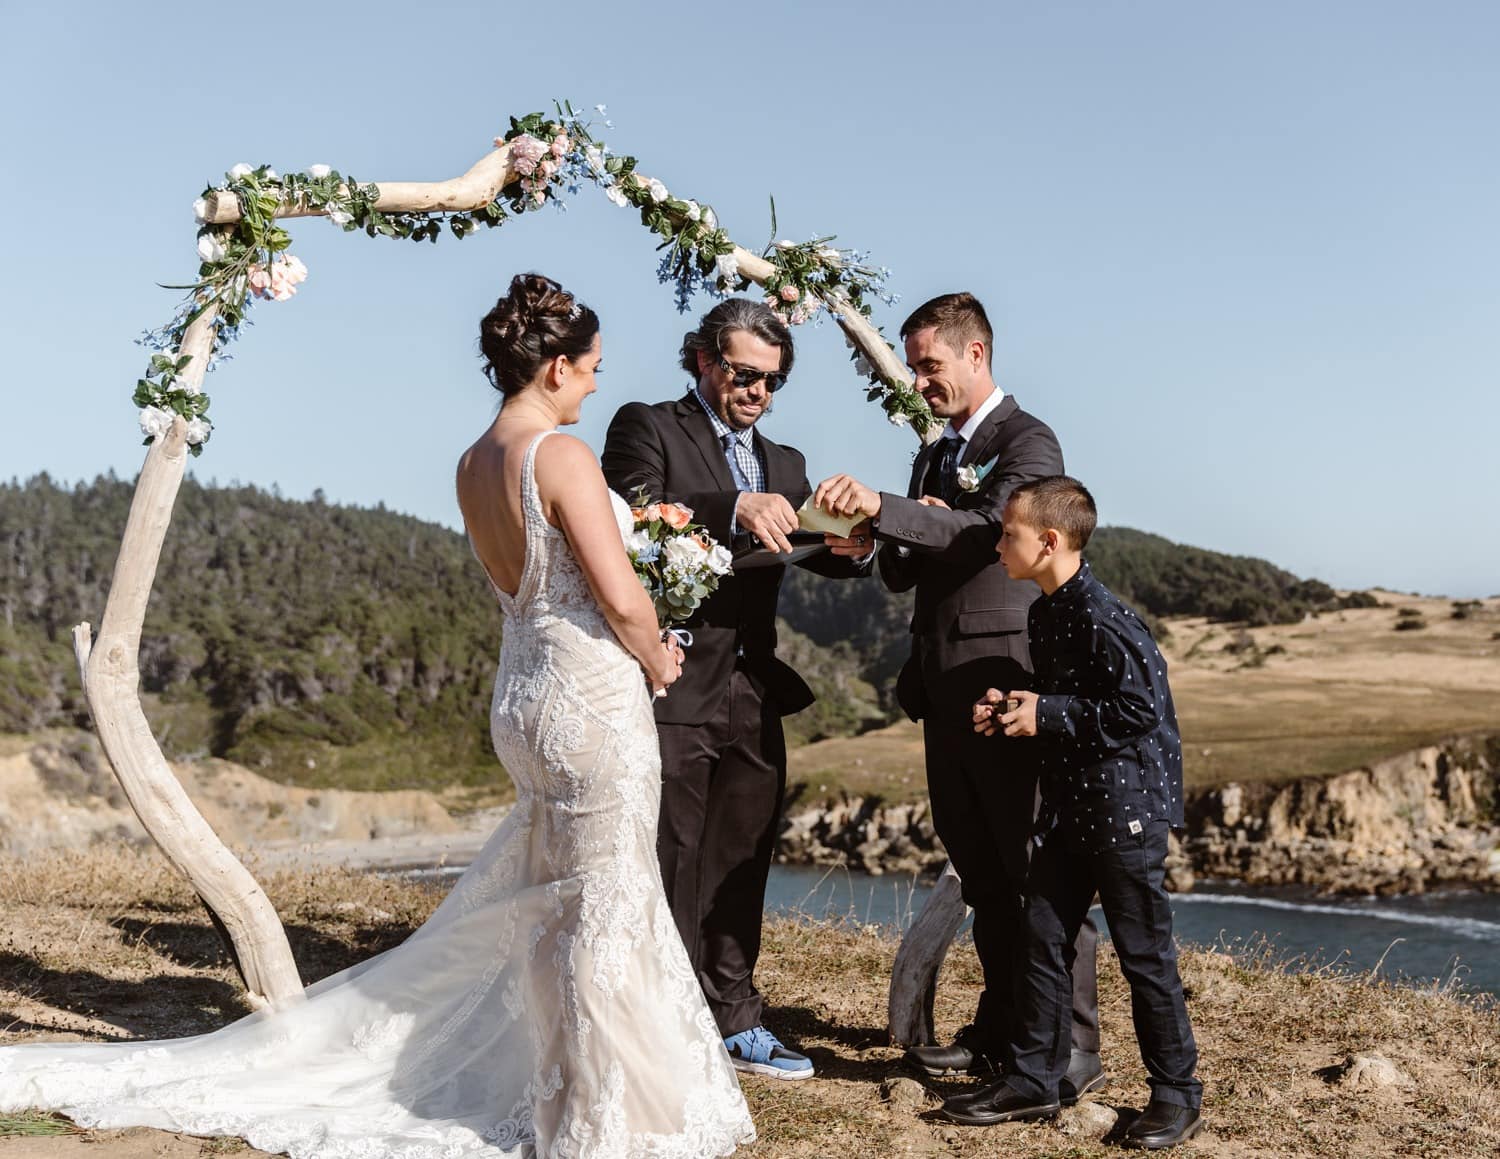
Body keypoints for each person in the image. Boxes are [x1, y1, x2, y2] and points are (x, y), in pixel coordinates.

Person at [0, 273, 757, 1159]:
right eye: (589, 370)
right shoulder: (560, 456)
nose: (594, 385)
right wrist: (660, 650)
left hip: (523, 697)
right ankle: (601, 1110)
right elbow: (620, 595)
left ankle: (571, 1079)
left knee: (561, 904)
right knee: (606, 903)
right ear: (554, 367)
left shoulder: (476, 460)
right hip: (589, 700)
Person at [815, 292, 1101, 1092]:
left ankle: (1071, 1046)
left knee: (1036, 867)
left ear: (977, 355)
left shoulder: (1029, 441)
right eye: (911, 366)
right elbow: (910, 565)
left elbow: (986, 534)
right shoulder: (936, 453)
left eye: (930, 365)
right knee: (981, 870)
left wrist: (911, 512)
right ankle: (1004, 1031)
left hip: (1007, 681)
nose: (919, 380)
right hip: (943, 688)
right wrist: (881, 531)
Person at [601, 298, 871, 1081]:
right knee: (670, 855)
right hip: (673, 677)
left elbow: (813, 547)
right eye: (746, 375)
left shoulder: (786, 462)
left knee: (740, 859)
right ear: (703, 361)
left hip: (756, 686)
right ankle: (665, 1018)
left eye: (773, 382)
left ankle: (736, 1017)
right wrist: (728, 508)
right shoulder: (646, 426)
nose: (758, 394)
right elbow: (630, 521)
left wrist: (851, 547)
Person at [945, 475, 1202, 1149]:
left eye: (1009, 533)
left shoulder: (1103, 615)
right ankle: (1035, 1078)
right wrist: (1015, 704)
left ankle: (1177, 1094)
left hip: (1126, 812)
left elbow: (1141, 708)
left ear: (1049, 541)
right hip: (1070, 807)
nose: (998, 542)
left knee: (1144, 954)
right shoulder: (1045, 610)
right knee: (1041, 936)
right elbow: (1070, 700)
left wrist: (1046, 712)